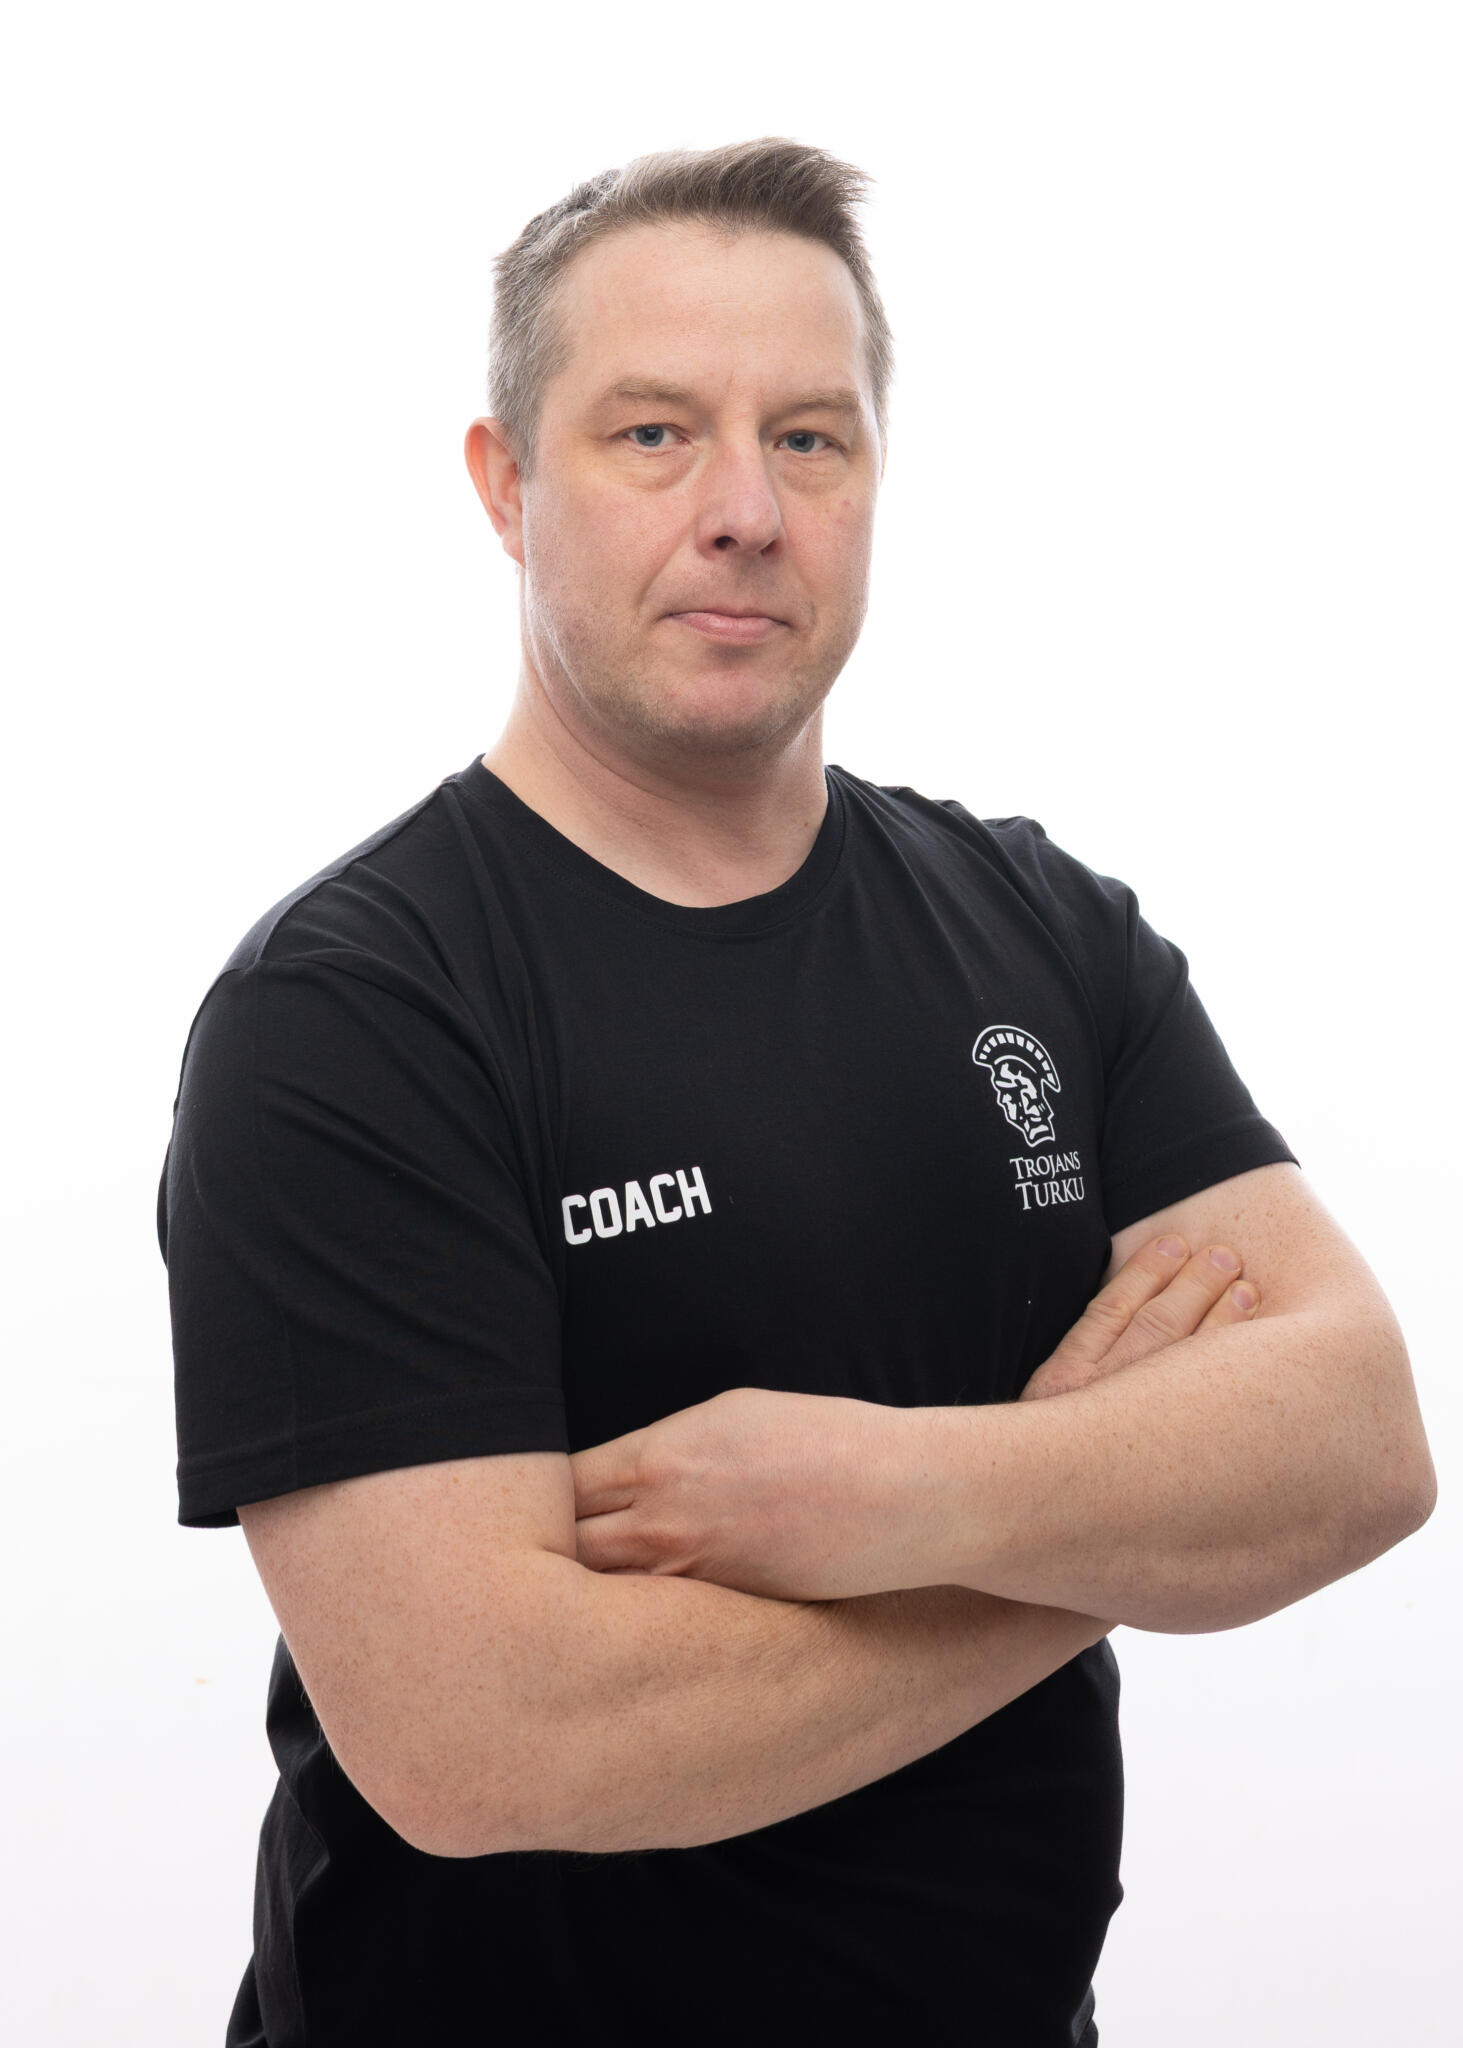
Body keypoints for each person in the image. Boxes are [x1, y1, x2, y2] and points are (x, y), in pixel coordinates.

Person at [159, 137, 1436, 2047]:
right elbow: (485, 1738)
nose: (746, 510)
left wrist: (894, 1493)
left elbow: (1358, 1444)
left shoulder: (1044, 929)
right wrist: (1108, 1535)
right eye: (654, 435)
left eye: (811, 440)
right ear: (507, 486)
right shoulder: (359, 1013)